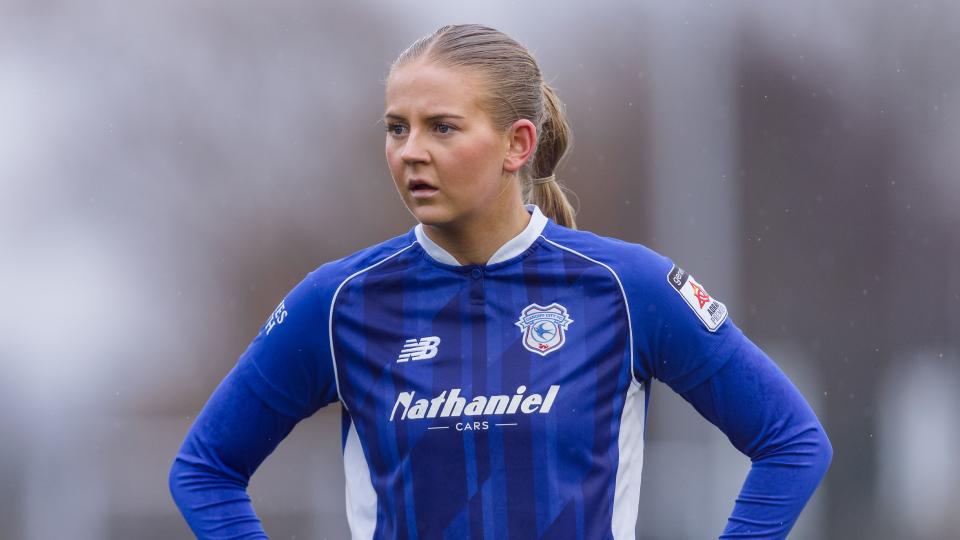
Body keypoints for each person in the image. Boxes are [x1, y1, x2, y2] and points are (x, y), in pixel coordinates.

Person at [169, 23, 832, 539]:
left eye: (442, 127)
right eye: (397, 128)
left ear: (517, 144)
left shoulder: (629, 288)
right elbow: (204, 470)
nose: (410, 152)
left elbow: (792, 445)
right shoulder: (336, 303)